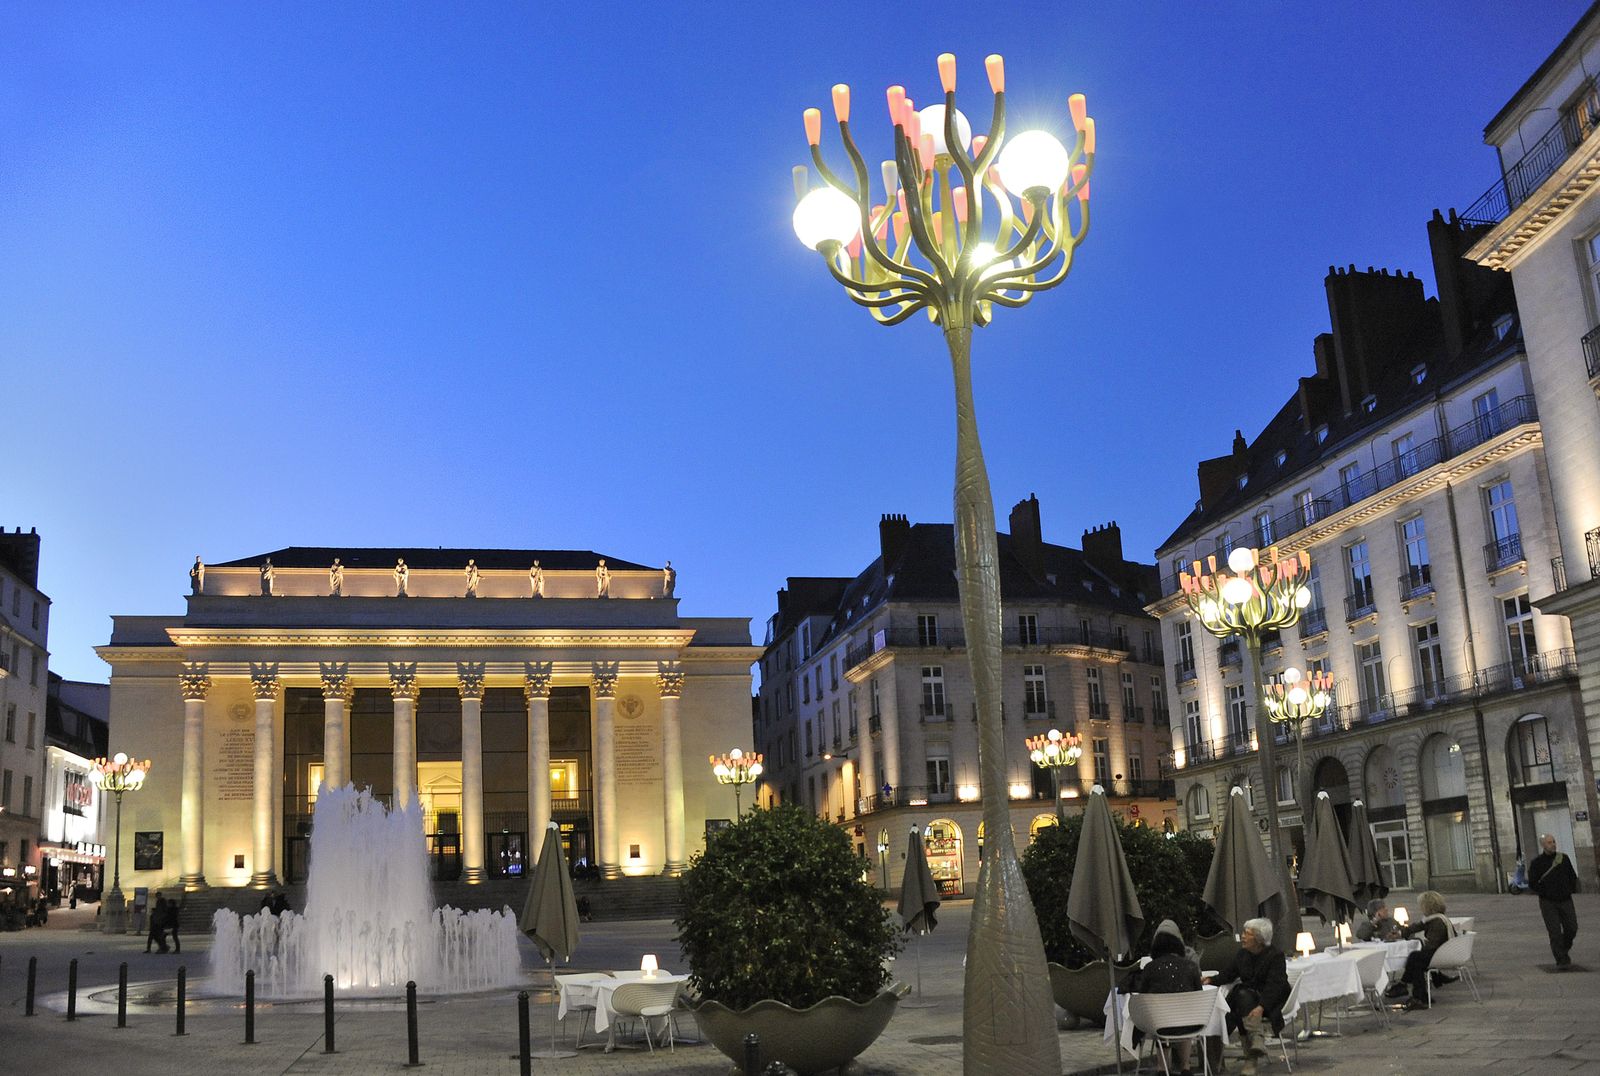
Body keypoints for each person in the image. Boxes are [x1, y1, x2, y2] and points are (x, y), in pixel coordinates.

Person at [1204, 917, 1289, 1076]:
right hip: (1247, 1002)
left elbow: (1275, 987)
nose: (1242, 936)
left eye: (1247, 933)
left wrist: (1261, 1007)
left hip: (1270, 1002)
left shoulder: (1275, 956)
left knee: (1238, 1000)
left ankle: (1248, 1057)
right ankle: (1255, 1042)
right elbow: (1228, 974)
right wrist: (1211, 980)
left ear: (1259, 939)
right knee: (1241, 997)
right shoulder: (1243, 954)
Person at [1122, 926, 1203, 1075]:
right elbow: (1199, 995)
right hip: (1190, 1024)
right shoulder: (1191, 967)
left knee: (1160, 1019)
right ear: (1179, 947)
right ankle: (1186, 1067)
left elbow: (1143, 996)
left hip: (1160, 1025)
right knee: (1183, 1019)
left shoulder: (1150, 968)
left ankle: (1162, 1069)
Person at [1528, 832, 1580, 969]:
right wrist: (1545, 892)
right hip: (1548, 902)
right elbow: (1532, 883)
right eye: (1550, 842)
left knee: (1572, 927)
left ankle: (1563, 948)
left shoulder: (1564, 859)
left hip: (1565, 899)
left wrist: (1570, 889)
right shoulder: (1537, 863)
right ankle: (1561, 959)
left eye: (1554, 842)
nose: (1553, 844)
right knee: (1555, 931)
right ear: (1543, 845)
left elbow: (1572, 876)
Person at [1398, 890, 1455, 1008]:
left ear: (1427, 906)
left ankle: (1408, 987)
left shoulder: (1437, 922)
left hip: (1441, 954)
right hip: (1442, 951)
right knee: (1416, 960)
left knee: (1415, 958)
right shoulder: (1434, 919)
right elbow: (1417, 926)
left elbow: (1432, 945)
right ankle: (1418, 994)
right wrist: (1401, 932)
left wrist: (1422, 944)